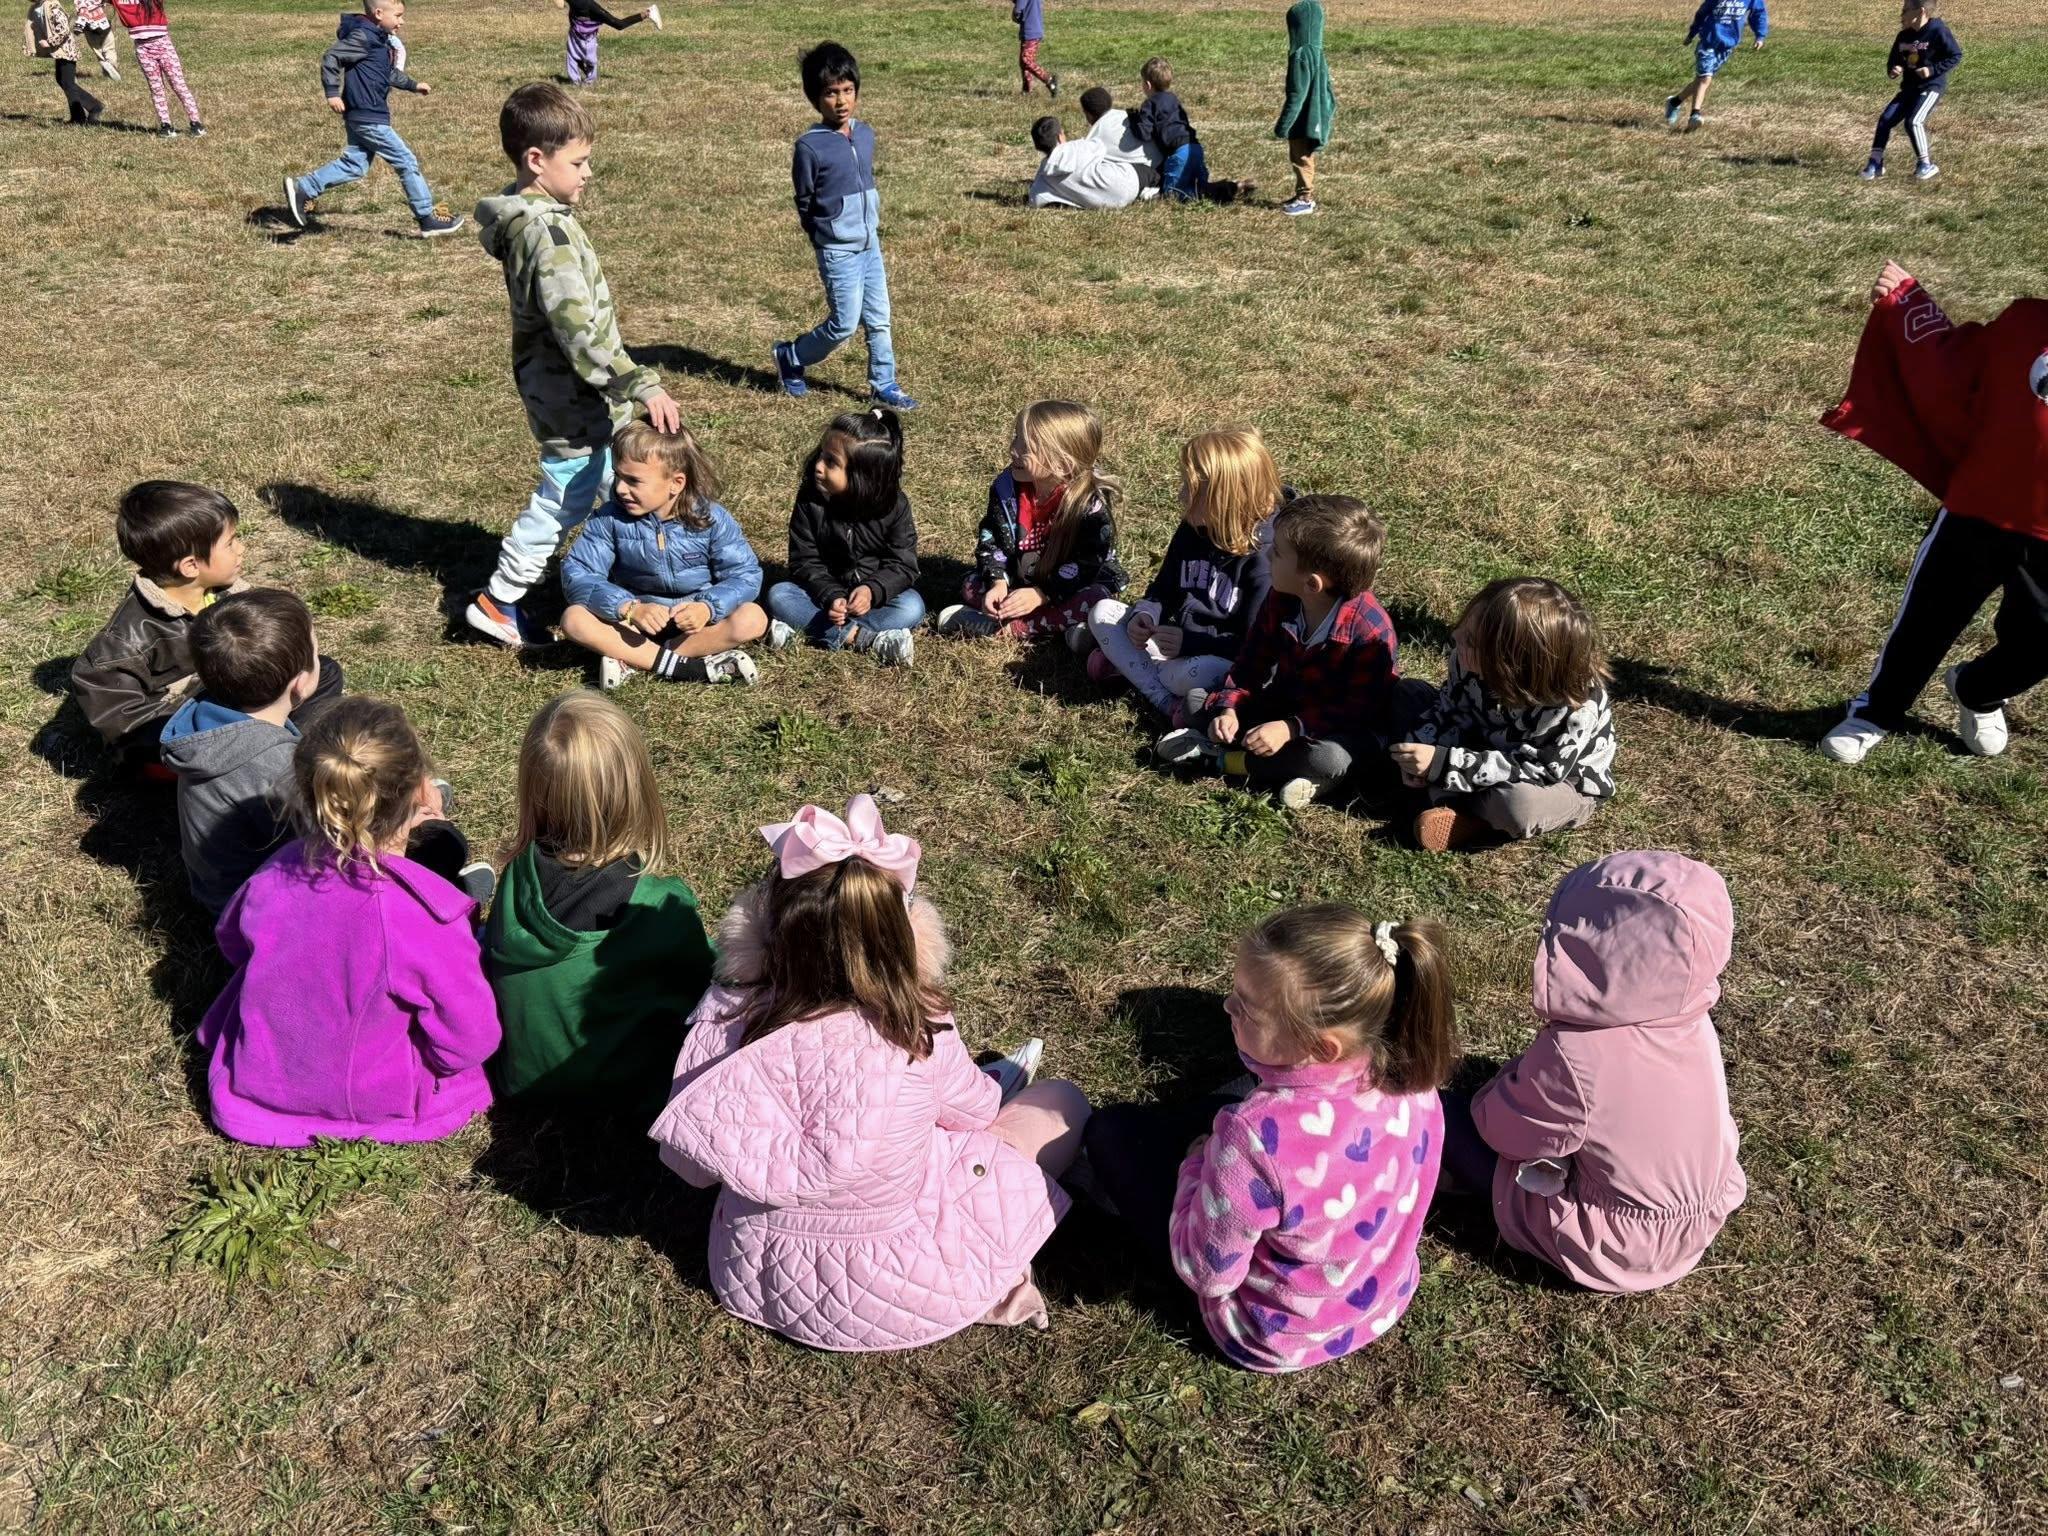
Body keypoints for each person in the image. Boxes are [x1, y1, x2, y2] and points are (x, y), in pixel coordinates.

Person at [649, 795, 1092, 1349]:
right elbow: (978, 1111)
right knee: (1062, 1103)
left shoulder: (725, 1018)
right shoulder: (918, 1025)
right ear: (903, 937)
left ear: (766, 929)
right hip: (901, 1279)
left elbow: (690, 1166)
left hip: (749, 1271)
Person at [1083, 907, 1453, 1372]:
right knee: (1227, 1100)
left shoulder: (1253, 1137)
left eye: (1247, 1008)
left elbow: (1206, 1272)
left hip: (1266, 1333)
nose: (1227, 1008)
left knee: (1111, 1132)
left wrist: (1196, 1165)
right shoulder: (1415, 1084)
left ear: (1321, 1047)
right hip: (1378, 1298)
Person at [196, 698, 501, 1148]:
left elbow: (232, 942)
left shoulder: (275, 870)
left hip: (255, 1086)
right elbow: (471, 1040)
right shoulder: (423, 915)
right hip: (369, 1100)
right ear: (422, 791)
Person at [1439, 852, 1747, 1292]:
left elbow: (1500, 1131)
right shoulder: (1694, 1022)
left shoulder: (1576, 1053)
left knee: (1443, 1116)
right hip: (1694, 1224)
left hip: (1612, 1244)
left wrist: (1496, 1091)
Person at [466, 84, 681, 648]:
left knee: (616, 477)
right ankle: (500, 599)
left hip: (570, 391)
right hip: (571, 393)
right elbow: (579, 333)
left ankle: (636, 575)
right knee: (565, 494)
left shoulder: (533, 219)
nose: (588, 173)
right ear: (537, 160)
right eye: (579, 162)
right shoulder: (547, 233)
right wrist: (641, 383)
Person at [1818, 262, 2048, 764]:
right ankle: (1876, 711)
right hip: (1979, 511)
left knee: (2039, 643)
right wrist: (1906, 302)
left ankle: (1978, 690)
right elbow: (1952, 368)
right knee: (1926, 622)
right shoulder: (2026, 322)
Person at [484, 691, 713, 1113]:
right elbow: (703, 976)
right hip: (619, 1089)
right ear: (636, 788)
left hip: (520, 1081)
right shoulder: (656, 905)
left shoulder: (518, 873)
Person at [72, 483, 347, 768]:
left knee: (322, 672)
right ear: (191, 566)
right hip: (189, 734)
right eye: (230, 543)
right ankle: (268, 759)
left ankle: (279, 751)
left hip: (233, 699)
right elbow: (123, 718)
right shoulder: (126, 640)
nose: (241, 549)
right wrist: (196, 726)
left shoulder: (226, 596)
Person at [1153, 495, 1399, 810]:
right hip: (1284, 706)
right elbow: (1251, 662)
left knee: (1328, 758)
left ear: (1312, 584)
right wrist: (1230, 708)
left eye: (1278, 552)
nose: (1267, 552)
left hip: (1337, 730)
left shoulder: (1370, 632)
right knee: (1196, 703)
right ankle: (1292, 771)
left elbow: (1357, 711)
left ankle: (1224, 761)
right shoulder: (1282, 596)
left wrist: (1291, 727)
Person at [1389, 577, 1617, 851]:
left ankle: (1464, 813)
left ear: (1511, 663)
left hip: (1552, 779)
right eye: (1463, 627)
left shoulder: (1572, 705)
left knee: (1517, 805)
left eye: (1471, 640)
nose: (1456, 636)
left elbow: (1540, 770)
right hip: (1486, 743)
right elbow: (1449, 708)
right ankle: (1453, 800)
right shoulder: (1466, 658)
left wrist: (1442, 764)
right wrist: (1420, 744)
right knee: (1408, 694)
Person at [159, 590, 339, 915]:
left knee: (331, 673)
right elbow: (324, 849)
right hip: (252, 915)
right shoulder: (279, 768)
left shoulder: (202, 715)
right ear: (300, 684)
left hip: (214, 887)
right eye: (315, 652)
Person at [1083, 428, 1282, 720]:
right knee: (1102, 613)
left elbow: (1257, 648)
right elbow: (1165, 588)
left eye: (1189, 489)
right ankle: (1167, 700)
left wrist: (1191, 642)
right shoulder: (1194, 527)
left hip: (1218, 658)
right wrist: (1147, 615)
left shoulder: (1265, 562)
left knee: (1193, 673)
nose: (1180, 496)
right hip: (1173, 646)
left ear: (1222, 497)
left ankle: (1134, 670)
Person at [559, 420, 767, 688]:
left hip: (694, 625)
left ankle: (637, 659)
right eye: (618, 476)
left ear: (676, 483)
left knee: (753, 617)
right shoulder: (609, 519)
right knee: (574, 619)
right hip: (634, 624)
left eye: (633, 480)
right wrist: (628, 608)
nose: (620, 488)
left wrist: (707, 607)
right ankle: (687, 667)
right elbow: (578, 574)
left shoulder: (712, 519)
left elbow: (745, 575)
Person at [771, 43, 918, 411]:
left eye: (848, 90)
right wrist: (823, 235)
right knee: (844, 325)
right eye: (831, 93)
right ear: (815, 98)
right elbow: (805, 199)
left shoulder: (865, 134)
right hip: (838, 250)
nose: (841, 101)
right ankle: (791, 355)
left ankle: (884, 383)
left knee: (880, 319)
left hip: (870, 245)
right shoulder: (810, 147)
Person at [937, 399, 1126, 640]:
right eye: (1016, 437)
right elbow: (991, 538)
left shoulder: (1088, 506)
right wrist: (997, 581)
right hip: (1022, 580)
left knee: (1096, 599)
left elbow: (1089, 564)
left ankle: (1014, 628)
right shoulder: (1006, 488)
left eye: (1025, 446)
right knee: (971, 585)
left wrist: (1042, 594)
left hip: (1071, 586)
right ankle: (1062, 626)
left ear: (1061, 464)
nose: (1012, 449)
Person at [282, 0, 463, 237]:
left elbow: (387, 72)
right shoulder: (363, 37)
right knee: (406, 161)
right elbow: (332, 57)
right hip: (368, 115)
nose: (401, 21)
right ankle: (427, 217)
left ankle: (305, 188)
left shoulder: (379, 39)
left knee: (355, 164)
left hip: (364, 113)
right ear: (378, 13)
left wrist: (413, 85)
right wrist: (332, 93)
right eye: (397, 15)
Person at [765, 406, 923, 665]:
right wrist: (831, 595)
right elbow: (804, 560)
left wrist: (871, 590)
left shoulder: (895, 505)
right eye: (821, 455)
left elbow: (903, 565)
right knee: (780, 595)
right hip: (821, 594)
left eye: (831, 462)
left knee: (912, 606)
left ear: (863, 476)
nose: (818, 467)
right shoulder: (810, 500)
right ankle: (865, 639)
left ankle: (815, 631)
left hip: (872, 600)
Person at [1860, 1, 1961, 182]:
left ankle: (1925, 164)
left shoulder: (1938, 31)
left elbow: (1955, 55)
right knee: (1885, 119)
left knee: (1913, 121)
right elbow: (1894, 60)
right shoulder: (1903, 36)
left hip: (1930, 87)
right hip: (1909, 88)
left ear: (1920, 12)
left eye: (1905, 10)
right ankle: (1876, 162)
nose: (1901, 14)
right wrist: (1894, 69)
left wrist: (1932, 70)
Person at [1664, 0, 1767, 133]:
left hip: (1727, 46)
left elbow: (1758, 14)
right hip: (1708, 44)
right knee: (1705, 79)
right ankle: (1695, 114)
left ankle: (1674, 102)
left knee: (1700, 81)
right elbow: (1701, 14)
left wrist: (1760, 36)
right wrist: (1692, 34)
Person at [106, 0, 201, 137]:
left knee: (178, 84)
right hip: (142, 48)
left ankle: (196, 122)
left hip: (163, 44)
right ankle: (166, 125)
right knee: (156, 88)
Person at [1274, 0, 1332, 216]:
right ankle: (1302, 193)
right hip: (1315, 111)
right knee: (1304, 154)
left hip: (1303, 116)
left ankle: (1305, 199)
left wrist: (1283, 124)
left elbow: (1297, 94)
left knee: (1301, 156)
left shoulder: (1301, 54)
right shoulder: (1317, 51)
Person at [1027, 114, 1144, 212]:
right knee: (1147, 172)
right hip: (1128, 182)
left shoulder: (1043, 177)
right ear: (1060, 137)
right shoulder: (1076, 147)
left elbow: (1034, 199)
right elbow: (1101, 147)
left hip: (1103, 204)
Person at [1129, 56, 1207, 202]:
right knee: (1201, 187)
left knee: (1172, 194)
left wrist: (1134, 119)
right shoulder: (1173, 99)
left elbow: (1144, 134)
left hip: (1178, 153)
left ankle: (1195, 194)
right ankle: (1226, 189)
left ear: (1147, 85)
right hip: (1195, 148)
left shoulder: (1150, 104)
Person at [23, 0, 103, 125]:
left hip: (66, 50)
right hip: (59, 51)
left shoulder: (53, 6)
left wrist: (50, 42)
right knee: (62, 80)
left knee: (67, 83)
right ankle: (91, 107)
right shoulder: (37, 7)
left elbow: (64, 29)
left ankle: (82, 115)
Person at [559, 0, 660, 87]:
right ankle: (576, 82)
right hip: (577, 31)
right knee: (574, 57)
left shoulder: (588, 5)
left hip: (588, 13)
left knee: (619, 24)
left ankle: (648, 13)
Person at [1009, 0, 1055, 98]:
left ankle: (1049, 80)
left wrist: (1015, 15)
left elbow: (1018, 10)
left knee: (1026, 60)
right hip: (1034, 29)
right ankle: (1027, 91)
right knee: (1024, 63)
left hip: (1030, 30)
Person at [71, 0, 117, 79]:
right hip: (104, 26)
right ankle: (112, 65)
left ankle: (105, 65)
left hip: (90, 30)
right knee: (109, 48)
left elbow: (83, 12)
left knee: (98, 50)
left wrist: (79, 27)